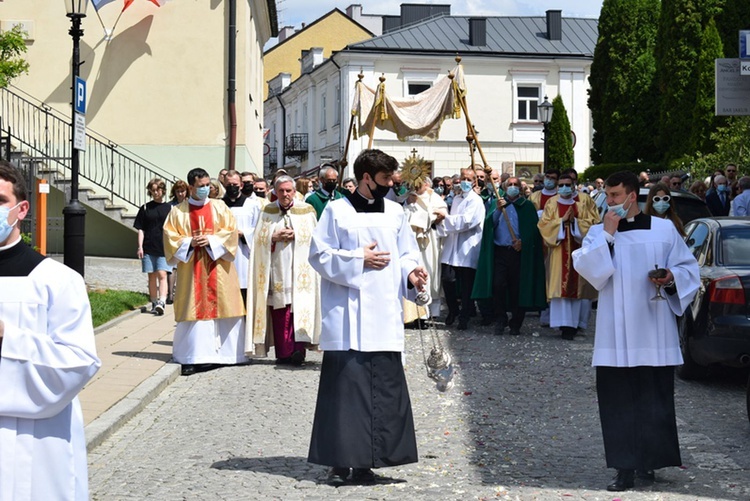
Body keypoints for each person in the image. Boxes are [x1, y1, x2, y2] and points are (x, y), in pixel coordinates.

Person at [572, 171, 700, 492]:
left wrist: (670, 277)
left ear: (632, 196)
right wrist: (609, 236)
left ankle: (650, 461)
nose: (609, 202)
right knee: (617, 401)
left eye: (615, 196)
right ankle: (624, 467)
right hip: (615, 334)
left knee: (652, 397)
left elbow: (687, 268)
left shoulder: (663, 229)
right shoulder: (601, 232)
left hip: (653, 328)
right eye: (608, 196)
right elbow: (588, 268)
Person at [307, 149, 427, 486]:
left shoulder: (394, 212)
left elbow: (406, 254)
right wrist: (358, 258)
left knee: (384, 390)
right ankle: (339, 462)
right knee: (345, 392)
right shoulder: (336, 212)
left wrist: (412, 275)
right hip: (348, 317)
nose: (391, 184)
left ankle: (370, 461)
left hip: (385, 315)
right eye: (386, 179)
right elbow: (318, 255)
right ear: (366, 178)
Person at [0, 160, 101, 500]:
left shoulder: (57, 282)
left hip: (33, 444)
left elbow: (79, 362)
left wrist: (6, 338)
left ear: (21, 209)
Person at [163, 167, 246, 376]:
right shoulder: (178, 211)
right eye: (201, 186)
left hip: (219, 268)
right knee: (193, 309)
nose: (206, 189)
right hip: (192, 269)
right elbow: (170, 238)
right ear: (191, 187)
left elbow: (231, 233)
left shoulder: (220, 207)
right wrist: (190, 242)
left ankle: (227, 355)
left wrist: (210, 240)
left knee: (225, 306)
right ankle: (193, 357)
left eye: (208, 185)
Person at [247, 175, 320, 364]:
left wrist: (298, 234)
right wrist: (273, 235)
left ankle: (298, 352)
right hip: (277, 269)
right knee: (280, 311)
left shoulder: (306, 211)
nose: (285, 194)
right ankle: (283, 353)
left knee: (299, 309)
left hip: (300, 271)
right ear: (275, 192)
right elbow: (257, 241)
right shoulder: (268, 211)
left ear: (295, 192)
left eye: (288, 190)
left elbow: (316, 238)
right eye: (281, 191)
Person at [472, 176, 546, 335]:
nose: (512, 187)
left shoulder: (527, 207)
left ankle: (516, 322)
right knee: (498, 285)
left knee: (518, 288)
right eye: (510, 185)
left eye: (515, 185)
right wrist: (498, 210)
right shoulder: (496, 204)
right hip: (500, 252)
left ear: (520, 188)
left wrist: (523, 242)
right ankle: (500, 317)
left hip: (519, 254)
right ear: (504, 188)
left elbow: (533, 232)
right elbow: (490, 225)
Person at [537, 173, 600, 339]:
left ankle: (576, 324)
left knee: (578, 289)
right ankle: (563, 324)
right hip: (558, 253)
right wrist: (560, 222)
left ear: (574, 186)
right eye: (562, 184)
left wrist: (576, 223)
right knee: (561, 288)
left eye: (568, 184)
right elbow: (543, 225)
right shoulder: (552, 203)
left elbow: (594, 223)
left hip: (579, 251)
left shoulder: (584, 202)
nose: (565, 187)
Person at [438, 167, 485, 330]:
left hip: (467, 247)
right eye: (462, 178)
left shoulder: (476, 200)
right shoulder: (457, 199)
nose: (464, 182)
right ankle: (453, 310)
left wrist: (446, 219)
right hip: (452, 247)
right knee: (447, 279)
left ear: (474, 182)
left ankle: (465, 316)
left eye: (468, 179)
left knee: (466, 286)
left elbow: (467, 221)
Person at [402, 178, 447, 325]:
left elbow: (440, 215)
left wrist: (428, 217)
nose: (415, 187)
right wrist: (409, 205)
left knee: (429, 274)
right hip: (411, 241)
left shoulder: (434, 198)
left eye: (418, 184)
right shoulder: (408, 198)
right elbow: (402, 218)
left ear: (426, 184)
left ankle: (429, 313)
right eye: (412, 184)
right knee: (412, 274)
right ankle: (413, 314)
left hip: (429, 242)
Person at [134, 178, 172, 315]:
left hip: (163, 247)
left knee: (162, 273)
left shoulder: (169, 208)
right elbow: (140, 229)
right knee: (151, 276)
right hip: (148, 245)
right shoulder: (145, 208)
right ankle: (154, 301)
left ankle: (162, 301)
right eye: (153, 190)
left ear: (163, 190)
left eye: (158, 189)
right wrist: (140, 247)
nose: (155, 192)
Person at [222, 170, 261, 304]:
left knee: (245, 297)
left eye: (235, 184)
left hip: (244, 254)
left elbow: (259, 229)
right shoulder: (219, 205)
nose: (232, 187)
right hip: (224, 254)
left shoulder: (252, 205)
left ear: (241, 185)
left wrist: (243, 233)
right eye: (228, 185)